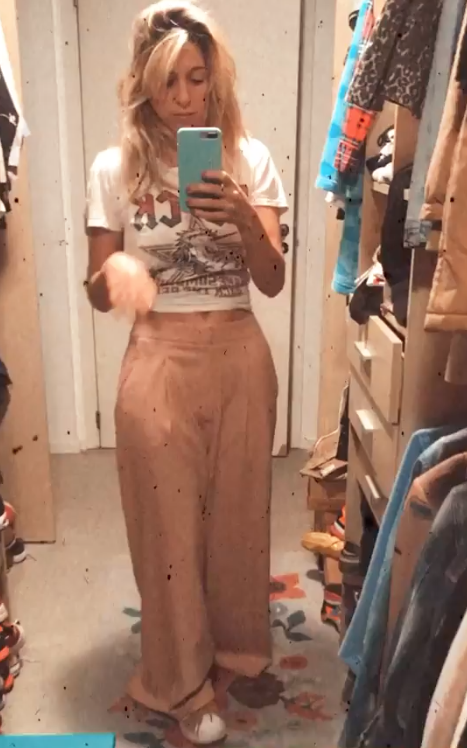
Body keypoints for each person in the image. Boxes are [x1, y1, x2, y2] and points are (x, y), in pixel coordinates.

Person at [85, 1, 288, 743]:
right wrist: (116, 275)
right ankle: (178, 682)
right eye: (167, 81)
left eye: (195, 79)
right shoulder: (115, 168)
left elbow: (272, 279)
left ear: (214, 80)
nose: (182, 98)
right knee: (166, 529)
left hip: (240, 355)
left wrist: (242, 214)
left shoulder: (249, 161)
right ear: (144, 83)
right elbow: (94, 287)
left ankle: (234, 650)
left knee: (238, 520)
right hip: (158, 357)